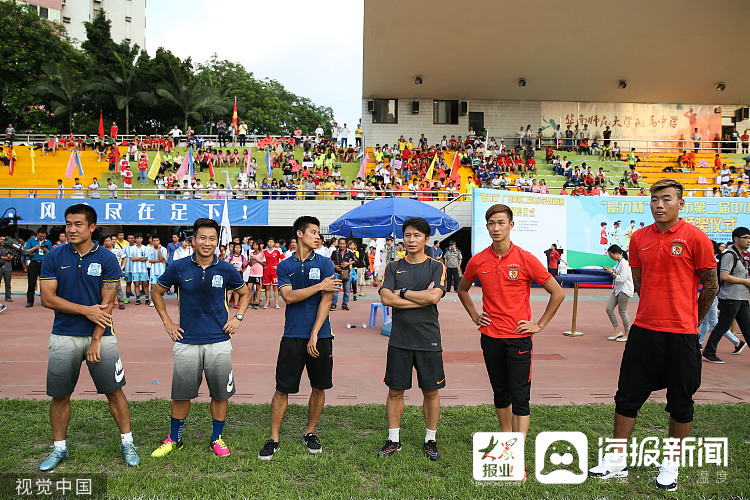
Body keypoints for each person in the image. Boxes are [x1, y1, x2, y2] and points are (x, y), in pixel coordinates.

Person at [588, 179, 718, 492]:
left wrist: (693, 320)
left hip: (682, 336)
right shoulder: (640, 239)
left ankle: (671, 462)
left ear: (681, 204)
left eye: (667, 199)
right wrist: (653, 307)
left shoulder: (696, 238)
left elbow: (711, 285)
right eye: (654, 199)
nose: (659, 205)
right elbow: (641, 280)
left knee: (681, 401)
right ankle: (617, 456)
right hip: (644, 332)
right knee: (627, 395)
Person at [457, 204, 563, 463]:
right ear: (487, 226)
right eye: (492, 223)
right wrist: (474, 316)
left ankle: (517, 450)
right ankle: (505, 437)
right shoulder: (479, 260)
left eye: (501, 223)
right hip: (490, 337)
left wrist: (539, 324)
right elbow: (462, 289)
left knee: (520, 395)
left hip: (518, 338)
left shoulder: (525, 258)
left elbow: (557, 292)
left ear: (511, 225)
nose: (496, 228)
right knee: (500, 391)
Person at [38, 204, 140, 470]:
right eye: (68, 224)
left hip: (102, 337)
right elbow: (48, 299)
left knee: (114, 391)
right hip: (64, 335)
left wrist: (96, 338)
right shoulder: (53, 257)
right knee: (60, 395)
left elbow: (107, 304)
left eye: (78, 224)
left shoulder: (107, 258)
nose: (71, 229)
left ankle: (127, 442)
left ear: (92, 227)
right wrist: (84, 309)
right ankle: (59, 448)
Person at [151, 218, 250, 458]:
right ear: (193, 241)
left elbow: (245, 293)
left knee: (220, 393)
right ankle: (174, 439)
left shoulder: (226, 269)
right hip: (186, 341)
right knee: (182, 394)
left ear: (218, 242)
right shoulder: (179, 267)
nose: (207, 243)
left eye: (212, 239)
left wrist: (238, 318)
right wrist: (168, 323)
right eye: (202, 238)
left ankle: (217, 438)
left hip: (219, 340)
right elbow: (157, 292)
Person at [258, 216, 340, 460]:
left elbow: (327, 300)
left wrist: (315, 332)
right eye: (313, 232)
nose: (318, 237)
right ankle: (274, 438)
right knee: (283, 388)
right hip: (292, 335)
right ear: (299, 234)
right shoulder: (284, 266)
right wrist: (318, 286)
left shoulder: (325, 263)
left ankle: (310, 432)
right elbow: (289, 297)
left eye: (319, 233)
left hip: (321, 335)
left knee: (319, 385)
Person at [376, 217, 447, 460]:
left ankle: (431, 439)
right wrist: (420, 296)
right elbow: (386, 299)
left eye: (417, 235)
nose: (411, 239)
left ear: (426, 239)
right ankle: (393, 439)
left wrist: (404, 293)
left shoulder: (437, 266)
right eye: (407, 235)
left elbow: (433, 298)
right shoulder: (393, 267)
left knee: (431, 391)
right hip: (400, 339)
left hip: (428, 339)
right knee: (395, 391)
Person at [701, 227, 750, 363]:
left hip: (741, 297)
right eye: (745, 238)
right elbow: (724, 276)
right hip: (730, 297)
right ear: (736, 238)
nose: (748, 241)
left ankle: (710, 351)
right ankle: (709, 351)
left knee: (747, 328)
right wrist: (745, 281)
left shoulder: (742, 256)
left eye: (749, 238)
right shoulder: (730, 255)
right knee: (722, 325)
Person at [603, 244, 634, 342]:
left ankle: (627, 333)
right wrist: (610, 271)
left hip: (624, 289)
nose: (610, 257)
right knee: (609, 309)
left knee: (622, 311)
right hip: (617, 289)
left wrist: (612, 273)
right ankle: (617, 331)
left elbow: (622, 279)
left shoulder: (624, 263)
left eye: (611, 254)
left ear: (617, 253)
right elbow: (615, 272)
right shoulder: (618, 262)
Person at [24, 228, 52, 307]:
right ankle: (30, 301)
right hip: (34, 262)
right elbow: (26, 251)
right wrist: (35, 248)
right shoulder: (31, 240)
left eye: (43, 236)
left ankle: (44, 301)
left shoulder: (48, 242)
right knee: (31, 282)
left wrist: (46, 250)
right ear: (37, 234)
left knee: (44, 283)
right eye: (40, 236)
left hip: (44, 263)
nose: (42, 238)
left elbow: (52, 254)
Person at [102, 235, 127, 310]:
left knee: (117, 287)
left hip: (115, 270)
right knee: (105, 287)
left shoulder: (118, 249)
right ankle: (108, 302)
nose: (108, 242)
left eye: (109, 240)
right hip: (105, 271)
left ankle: (121, 302)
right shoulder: (102, 250)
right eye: (106, 241)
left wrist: (122, 267)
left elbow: (124, 257)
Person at [330, 237, 356, 311]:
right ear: (338, 244)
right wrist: (335, 266)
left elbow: (354, 260)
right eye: (340, 243)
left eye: (343, 244)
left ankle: (345, 304)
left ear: (346, 244)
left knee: (347, 290)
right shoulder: (335, 252)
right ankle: (333, 304)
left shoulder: (349, 252)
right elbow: (331, 259)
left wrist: (348, 263)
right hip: (337, 273)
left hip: (346, 273)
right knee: (335, 290)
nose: (342, 245)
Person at [262, 238, 284, 309]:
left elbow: (284, 259)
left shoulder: (278, 251)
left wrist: (278, 266)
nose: (271, 243)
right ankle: (267, 302)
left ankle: (276, 302)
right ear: (267, 243)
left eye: (272, 242)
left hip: (274, 272)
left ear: (274, 243)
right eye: (269, 242)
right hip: (266, 271)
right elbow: (262, 261)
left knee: (275, 287)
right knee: (267, 287)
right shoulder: (264, 251)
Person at [147, 236, 168, 308]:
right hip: (153, 271)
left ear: (159, 241)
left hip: (161, 271)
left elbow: (163, 259)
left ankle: (160, 299)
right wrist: (160, 260)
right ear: (152, 241)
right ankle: (153, 300)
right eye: (154, 241)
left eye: (157, 241)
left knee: (161, 286)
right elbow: (150, 260)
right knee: (153, 286)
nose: (156, 242)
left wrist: (159, 250)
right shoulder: (150, 250)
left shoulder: (163, 249)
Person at [0, 235, 13, 302]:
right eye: (1, 239)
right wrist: (5, 258)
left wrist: (9, 257)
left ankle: (8, 297)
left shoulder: (9, 248)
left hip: (8, 267)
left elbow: (12, 257)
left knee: (8, 283)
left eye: (3, 239)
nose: (2, 241)